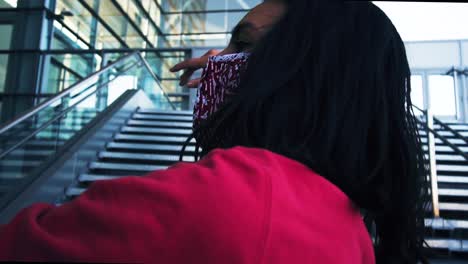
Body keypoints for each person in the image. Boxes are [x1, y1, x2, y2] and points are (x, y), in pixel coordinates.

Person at [0, 1, 429, 264]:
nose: (216, 64)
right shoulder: (346, 226)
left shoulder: (232, 199)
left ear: (301, 73)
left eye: (240, 46)